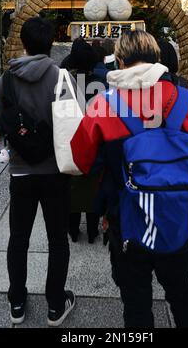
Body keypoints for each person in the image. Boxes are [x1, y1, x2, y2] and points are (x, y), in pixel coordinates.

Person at [68, 30, 188, 328]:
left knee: (136, 305)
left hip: (127, 221)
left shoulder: (104, 105)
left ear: (119, 61)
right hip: (176, 220)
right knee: (184, 298)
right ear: (158, 58)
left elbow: (81, 160)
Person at [0, 17, 75, 327]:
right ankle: (55, 305)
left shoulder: (6, 79)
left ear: (23, 43)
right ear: (50, 43)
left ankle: (17, 303)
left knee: (18, 238)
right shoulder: (60, 76)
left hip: (21, 172)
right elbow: (71, 123)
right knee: (57, 240)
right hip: (55, 171)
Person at [64, 37, 106, 243]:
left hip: (71, 140)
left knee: (72, 188)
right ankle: (92, 231)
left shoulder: (64, 83)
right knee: (92, 187)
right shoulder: (101, 83)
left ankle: (72, 230)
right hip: (94, 140)